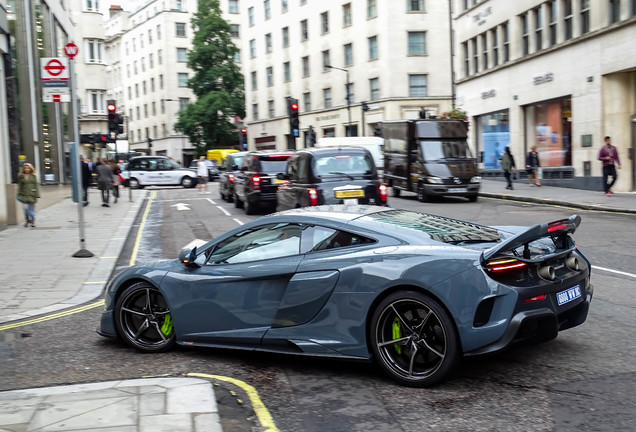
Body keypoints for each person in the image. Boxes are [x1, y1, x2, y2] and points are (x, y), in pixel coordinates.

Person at [17, 163, 40, 227]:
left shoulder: (33, 176)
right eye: (25, 168)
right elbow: (20, 186)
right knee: (26, 208)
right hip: (24, 194)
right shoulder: (21, 176)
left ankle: (32, 221)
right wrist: (18, 195)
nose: (26, 169)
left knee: (31, 209)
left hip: (32, 194)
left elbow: (36, 185)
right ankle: (27, 219)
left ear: (30, 169)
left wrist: (37, 194)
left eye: (28, 168)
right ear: (23, 169)